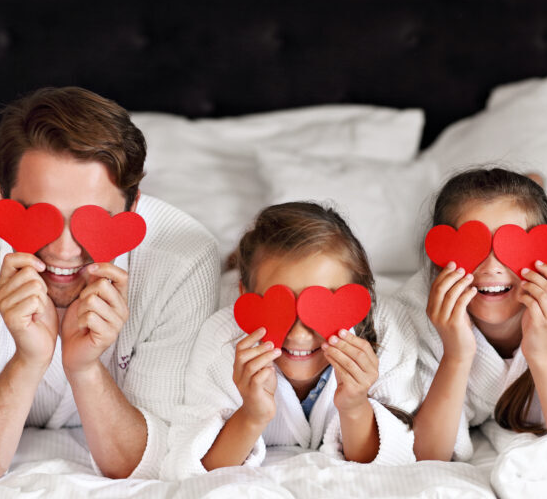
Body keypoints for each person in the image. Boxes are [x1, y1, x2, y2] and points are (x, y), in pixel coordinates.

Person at [0, 86, 219, 479]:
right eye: (40, 215)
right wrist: (28, 360)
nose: (63, 251)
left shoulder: (183, 261)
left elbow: (149, 465)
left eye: (91, 220)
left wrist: (86, 368)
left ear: (133, 206)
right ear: (1, 196)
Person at [162, 202, 417, 479]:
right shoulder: (221, 341)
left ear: (353, 303)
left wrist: (354, 404)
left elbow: (399, 461)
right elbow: (185, 470)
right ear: (245, 293)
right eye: (278, 308)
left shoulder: (388, 333)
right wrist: (252, 414)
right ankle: (232, 266)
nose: (298, 334)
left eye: (319, 309)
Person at [396, 168, 547, 462]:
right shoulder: (415, 311)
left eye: (510, 247)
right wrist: (455, 356)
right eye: (472, 248)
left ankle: (535, 185)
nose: (491, 267)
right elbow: (427, 455)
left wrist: (540, 351)